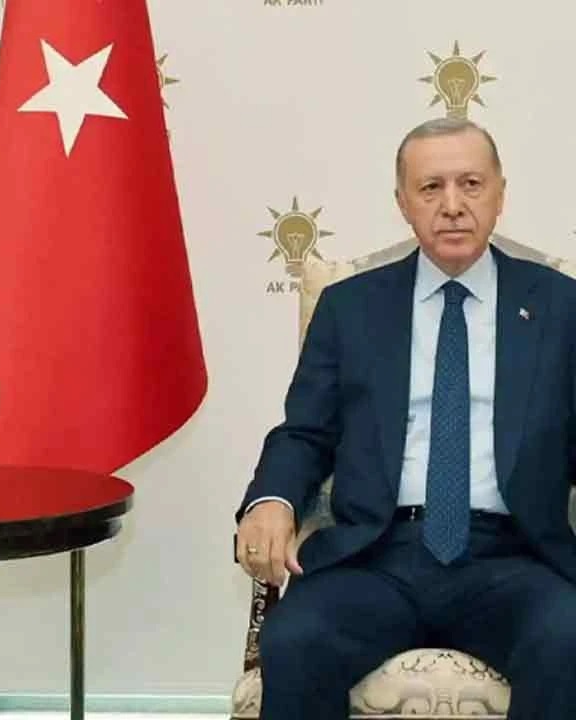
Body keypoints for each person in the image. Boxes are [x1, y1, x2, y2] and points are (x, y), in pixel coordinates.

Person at [235, 117, 576, 719]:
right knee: (295, 640)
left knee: (569, 639)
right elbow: (305, 432)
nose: (453, 206)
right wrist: (272, 501)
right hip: (377, 555)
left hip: (515, 557)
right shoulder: (350, 307)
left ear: (500, 194)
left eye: (471, 184)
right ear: (402, 203)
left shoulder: (560, 305)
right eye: (431, 188)